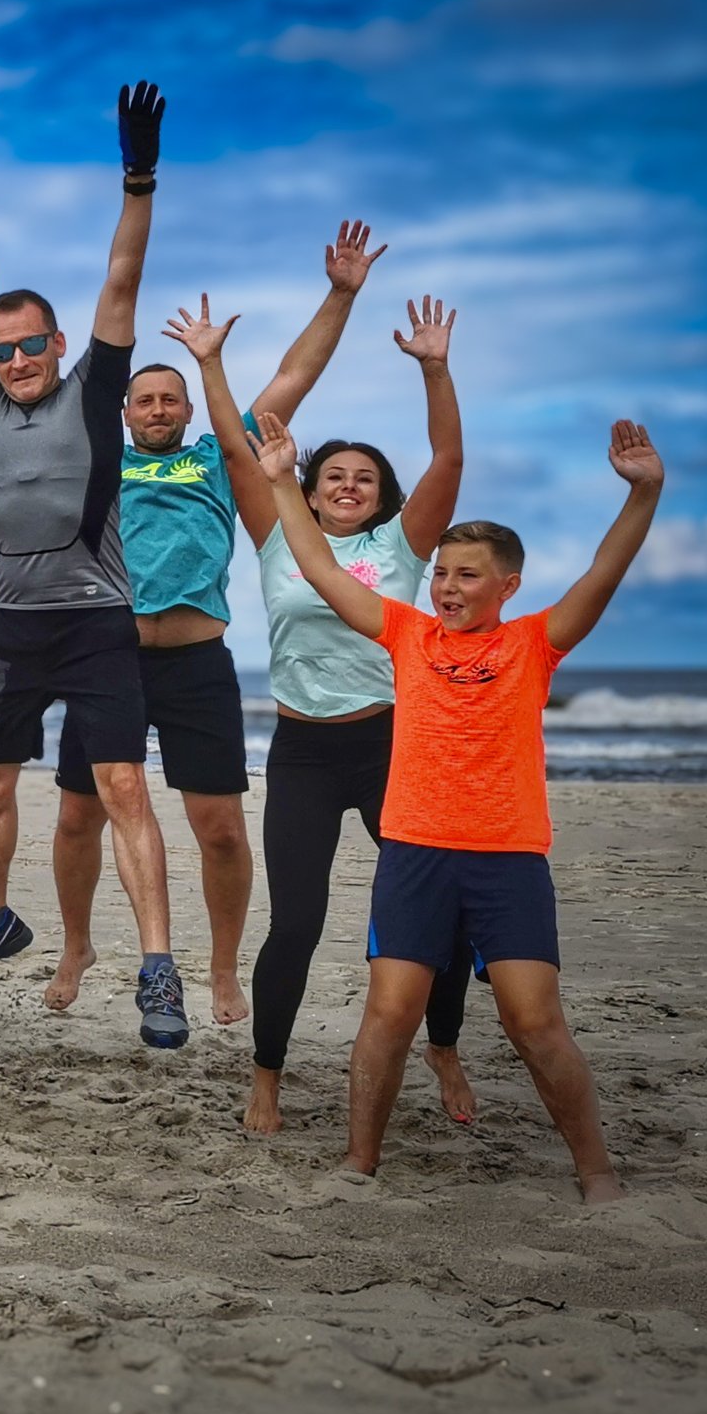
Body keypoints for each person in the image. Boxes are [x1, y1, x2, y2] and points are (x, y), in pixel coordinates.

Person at [255, 412, 660, 1204]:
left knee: (534, 1022)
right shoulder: (406, 635)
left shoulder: (533, 643)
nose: (447, 587)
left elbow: (602, 574)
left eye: (468, 576)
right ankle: (359, 1161)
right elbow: (317, 566)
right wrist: (278, 481)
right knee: (390, 1012)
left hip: (508, 857)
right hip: (415, 852)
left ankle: (597, 1170)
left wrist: (642, 495)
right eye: (441, 573)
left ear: (507, 586)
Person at [0, 84, 193, 1050]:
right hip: (13, 624)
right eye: (4, 346)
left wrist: (137, 177)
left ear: (58, 347)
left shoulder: (97, 388)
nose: (17, 358)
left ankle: (156, 967)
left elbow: (122, 276)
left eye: (32, 346)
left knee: (122, 788)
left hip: (99, 620)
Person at [43, 223, 389, 1031]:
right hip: (109, 660)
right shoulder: (99, 458)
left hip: (198, 661)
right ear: (124, 410)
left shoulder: (215, 458)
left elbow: (293, 377)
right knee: (75, 817)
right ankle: (76, 943)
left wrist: (339, 293)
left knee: (222, 832)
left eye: (170, 399)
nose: (157, 408)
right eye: (144, 399)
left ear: (188, 409)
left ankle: (224, 969)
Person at [172, 290, 478, 1135]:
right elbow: (237, 448)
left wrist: (435, 368)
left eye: (364, 478)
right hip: (302, 751)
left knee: (434, 913)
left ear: (383, 496)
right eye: (334, 475)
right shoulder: (280, 532)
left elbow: (448, 457)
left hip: (392, 745)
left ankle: (443, 1042)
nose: (348, 486)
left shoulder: (402, 546)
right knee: (296, 923)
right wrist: (209, 363)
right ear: (309, 485)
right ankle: (266, 1074)